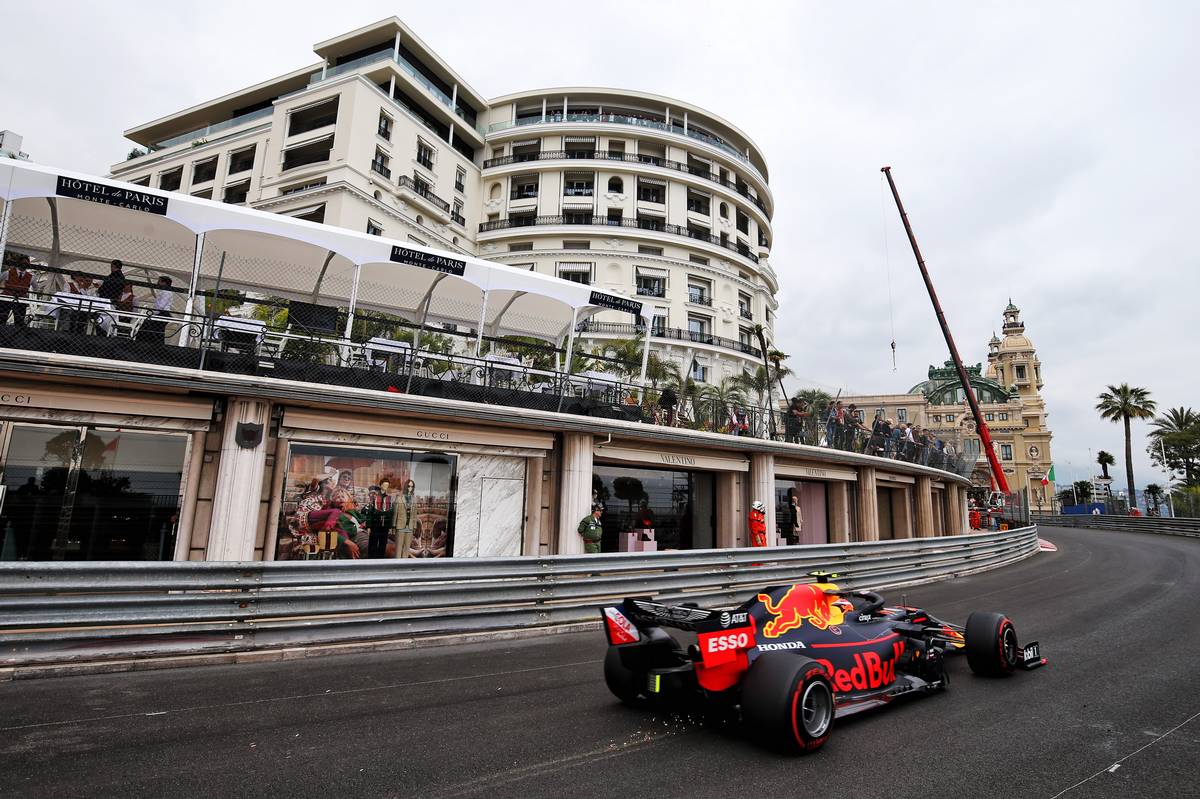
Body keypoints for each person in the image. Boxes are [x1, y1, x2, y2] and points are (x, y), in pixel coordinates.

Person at [137, 275, 175, 343]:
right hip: (161, 313)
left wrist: (154, 312)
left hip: (162, 313)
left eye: (159, 281)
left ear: (164, 283)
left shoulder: (166, 292)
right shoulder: (165, 292)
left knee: (153, 329)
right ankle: (156, 344)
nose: (157, 283)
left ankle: (145, 342)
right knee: (157, 331)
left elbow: (161, 306)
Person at [1, 255, 33, 326]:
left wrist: (27, 294)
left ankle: (17, 334)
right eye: (23, 263)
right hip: (7, 298)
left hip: (21, 300)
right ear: (18, 263)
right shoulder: (8, 273)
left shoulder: (31, 277)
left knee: (19, 321)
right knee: (2, 318)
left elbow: (36, 288)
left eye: (26, 264)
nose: (24, 265)